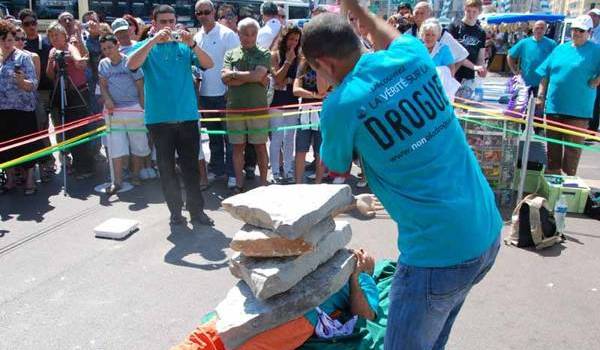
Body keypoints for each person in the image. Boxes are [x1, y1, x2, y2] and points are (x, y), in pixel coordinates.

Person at [301, 2, 502, 348]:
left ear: (322, 63)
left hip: (436, 255)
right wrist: (359, 12)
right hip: (485, 231)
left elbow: (335, 165)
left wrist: (329, 94)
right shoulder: (412, 55)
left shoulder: (341, 105)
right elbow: (387, 35)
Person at [171, 249, 379, 350]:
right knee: (212, 332)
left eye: (367, 254)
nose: (361, 251)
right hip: (265, 297)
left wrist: (357, 275)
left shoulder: (363, 279)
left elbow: (366, 315)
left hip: (301, 314)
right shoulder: (331, 252)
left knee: (248, 345)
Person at [127, 5, 214, 226]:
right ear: (153, 23)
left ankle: (197, 212)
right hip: (159, 119)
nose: (168, 26)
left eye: (171, 21)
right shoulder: (146, 47)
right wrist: (153, 40)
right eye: (163, 21)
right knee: (166, 170)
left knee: (190, 169)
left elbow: (208, 64)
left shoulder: (184, 47)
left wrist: (192, 43)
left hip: (186, 117)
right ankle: (175, 213)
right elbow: (131, 64)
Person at [535, 15, 600, 176]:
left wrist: (598, 79)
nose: (576, 33)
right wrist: (541, 95)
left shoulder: (596, 50)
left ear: (589, 32)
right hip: (554, 107)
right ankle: (552, 181)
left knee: (572, 150)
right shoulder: (560, 48)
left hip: (578, 110)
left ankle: (568, 185)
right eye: (574, 29)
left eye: (581, 30)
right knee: (552, 148)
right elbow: (545, 73)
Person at [193, 0, 240, 189]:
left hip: (226, 94)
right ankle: (217, 170)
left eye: (206, 11)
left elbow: (236, 64)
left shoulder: (228, 35)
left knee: (230, 138)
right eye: (199, 13)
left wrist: (231, 91)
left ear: (214, 12)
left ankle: (232, 173)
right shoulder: (196, 36)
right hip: (205, 96)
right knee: (213, 137)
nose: (203, 15)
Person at [221, 18, 271, 193]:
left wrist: (234, 75)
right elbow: (224, 79)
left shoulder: (264, 53)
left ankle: (264, 184)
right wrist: (251, 78)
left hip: (257, 109)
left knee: (260, 146)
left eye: (253, 34)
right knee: (237, 147)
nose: (249, 37)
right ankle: (239, 185)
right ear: (238, 34)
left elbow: (258, 76)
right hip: (234, 108)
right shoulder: (230, 54)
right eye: (245, 34)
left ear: (257, 34)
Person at [98, 34, 149, 195]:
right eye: (104, 49)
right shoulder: (103, 64)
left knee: (138, 144)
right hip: (114, 112)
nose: (107, 51)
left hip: (134, 108)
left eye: (110, 47)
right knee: (115, 146)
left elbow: (140, 86)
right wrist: (107, 99)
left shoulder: (130, 61)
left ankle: (135, 174)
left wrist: (143, 108)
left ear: (117, 45)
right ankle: (117, 180)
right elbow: (103, 85)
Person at [46, 21, 95, 179]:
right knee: (69, 131)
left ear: (64, 36)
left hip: (77, 93)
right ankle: (76, 163)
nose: (54, 38)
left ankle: (86, 167)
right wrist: (51, 60)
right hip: (62, 93)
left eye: (56, 35)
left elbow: (80, 63)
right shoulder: (53, 51)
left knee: (80, 130)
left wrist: (76, 60)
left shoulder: (70, 47)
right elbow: (50, 75)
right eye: (51, 36)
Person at [0, 19, 41, 195]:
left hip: (23, 109)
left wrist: (21, 81)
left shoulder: (23, 57)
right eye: (2, 40)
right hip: (3, 109)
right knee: (5, 146)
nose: (6, 44)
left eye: (9, 40)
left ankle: (30, 179)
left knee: (27, 145)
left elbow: (33, 84)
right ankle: (10, 179)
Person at [269, 24, 301, 184]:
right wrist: (288, 61)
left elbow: (297, 80)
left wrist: (288, 80)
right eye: (291, 39)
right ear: (284, 38)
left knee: (290, 139)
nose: (293, 43)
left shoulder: (300, 56)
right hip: (276, 102)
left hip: (292, 102)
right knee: (276, 138)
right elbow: (277, 79)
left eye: (296, 40)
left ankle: (288, 170)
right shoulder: (274, 55)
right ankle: (275, 172)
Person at [293, 58, 329, 184]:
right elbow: (296, 90)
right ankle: (298, 183)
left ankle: (318, 183)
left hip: (322, 112)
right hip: (305, 111)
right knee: (300, 148)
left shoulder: (326, 65)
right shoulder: (303, 65)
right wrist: (313, 95)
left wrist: (319, 68)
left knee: (320, 150)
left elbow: (322, 90)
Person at [507, 21, 556, 96]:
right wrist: (514, 71)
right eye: (537, 28)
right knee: (523, 105)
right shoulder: (524, 42)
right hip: (525, 82)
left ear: (545, 30)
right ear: (533, 29)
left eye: (542, 28)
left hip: (543, 83)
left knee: (539, 106)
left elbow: (556, 61)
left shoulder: (552, 44)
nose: (539, 30)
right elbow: (510, 56)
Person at [448, 0, 487, 88]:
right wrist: (474, 67)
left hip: (469, 76)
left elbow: (480, 57)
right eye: (468, 11)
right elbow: (455, 53)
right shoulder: (454, 27)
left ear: (479, 12)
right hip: (453, 72)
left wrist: (482, 68)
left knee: (466, 101)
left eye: (474, 12)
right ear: (464, 9)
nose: (471, 14)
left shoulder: (481, 32)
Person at [587, 8, 600, 133]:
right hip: (588, 70)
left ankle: (592, 128)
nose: (592, 18)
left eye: (595, 16)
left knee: (596, 101)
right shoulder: (587, 30)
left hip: (597, 71)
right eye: (591, 15)